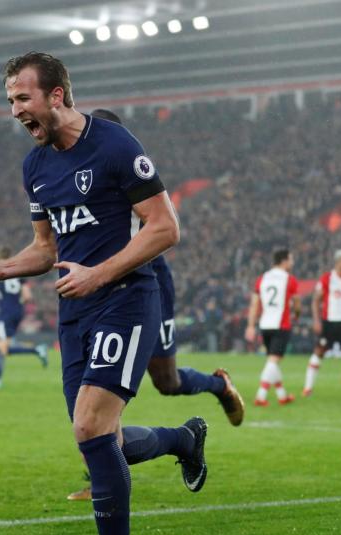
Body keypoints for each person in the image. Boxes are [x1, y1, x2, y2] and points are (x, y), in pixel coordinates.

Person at [0, 52, 208, 535]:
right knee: (101, 439)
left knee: (90, 427)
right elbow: (46, 249)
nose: (14, 111)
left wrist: (99, 273)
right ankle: (184, 439)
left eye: (22, 98)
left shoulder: (115, 145)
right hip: (74, 311)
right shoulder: (35, 166)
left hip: (124, 298)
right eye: (9, 101)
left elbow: (164, 227)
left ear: (56, 96)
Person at [66, 107, 245, 503]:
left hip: (143, 283)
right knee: (93, 415)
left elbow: (159, 225)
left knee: (166, 381)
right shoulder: (73, 168)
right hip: (96, 293)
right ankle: (171, 444)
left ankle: (219, 386)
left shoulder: (123, 163)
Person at [302, 249, 341, 399]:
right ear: (339, 262)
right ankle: (307, 388)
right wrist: (316, 320)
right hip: (329, 322)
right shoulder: (326, 278)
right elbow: (316, 300)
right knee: (319, 352)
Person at [0, 246, 48, 390]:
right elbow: (28, 296)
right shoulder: (18, 272)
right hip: (17, 311)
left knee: (3, 349)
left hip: (5, 313)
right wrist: (17, 304)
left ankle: (37, 350)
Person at [245, 248, 300, 407]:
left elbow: (255, 304)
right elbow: (296, 302)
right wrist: (297, 314)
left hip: (265, 325)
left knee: (274, 360)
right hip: (281, 325)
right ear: (284, 261)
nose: (292, 262)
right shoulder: (290, 279)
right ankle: (260, 396)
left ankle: (282, 396)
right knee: (273, 361)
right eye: (291, 259)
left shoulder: (262, 278)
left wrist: (250, 325)